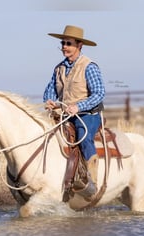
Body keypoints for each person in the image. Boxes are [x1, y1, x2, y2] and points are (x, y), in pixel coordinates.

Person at [43, 25, 105, 198]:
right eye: (63, 43)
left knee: (83, 135)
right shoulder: (59, 68)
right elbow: (50, 91)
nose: (64, 47)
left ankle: (92, 182)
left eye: (68, 43)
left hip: (87, 114)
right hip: (63, 114)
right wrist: (49, 101)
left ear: (79, 46)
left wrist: (79, 107)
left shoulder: (89, 66)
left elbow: (99, 93)